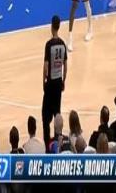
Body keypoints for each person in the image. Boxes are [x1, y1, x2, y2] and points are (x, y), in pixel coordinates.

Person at [42, 15, 67, 149]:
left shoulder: (49, 44)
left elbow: (46, 66)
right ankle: (58, 142)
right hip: (58, 83)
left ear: (52, 26)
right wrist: (63, 80)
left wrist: (44, 81)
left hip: (50, 83)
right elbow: (65, 66)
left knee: (45, 116)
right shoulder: (63, 44)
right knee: (57, 114)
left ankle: (47, 144)